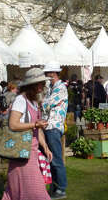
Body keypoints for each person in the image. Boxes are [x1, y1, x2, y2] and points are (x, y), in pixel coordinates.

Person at [2, 68, 52, 200]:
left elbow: (37, 129)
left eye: (42, 83)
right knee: (37, 192)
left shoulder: (35, 102)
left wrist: (45, 147)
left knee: (19, 191)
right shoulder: (20, 100)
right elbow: (13, 124)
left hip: (30, 153)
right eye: (39, 83)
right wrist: (35, 124)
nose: (42, 86)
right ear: (31, 85)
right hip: (21, 153)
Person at [42, 61, 68, 199]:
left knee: (56, 158)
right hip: (48, 126)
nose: (46, 76)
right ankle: (54, 186)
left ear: (53, 74)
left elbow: (47, 103)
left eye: (47, 73)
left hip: (54, 126)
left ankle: (62, 188)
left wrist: (41, 102)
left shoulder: (61, 88)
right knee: (50, 158)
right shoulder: (50, 88)